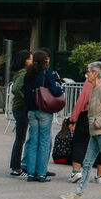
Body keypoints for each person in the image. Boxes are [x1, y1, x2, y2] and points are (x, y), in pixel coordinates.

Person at [60, 62, 101, 199]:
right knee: (87, 163)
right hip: (96, 132)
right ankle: (78, 194)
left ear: (95, 73)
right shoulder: (95, 88)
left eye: (88, 71)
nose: (86, 74)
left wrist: (98, 123)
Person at [21, 50, 62, 182]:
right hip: (44, 110)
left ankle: (31, 173)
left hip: (31, 110)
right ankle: (41, 173)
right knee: (44, 141)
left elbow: (24, 91)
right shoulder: (46, 73)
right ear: (45, 61)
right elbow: (55, 91)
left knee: (33, 141)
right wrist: (60, 88)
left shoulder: (28, 73)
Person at [8, 49, 32, 176]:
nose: (32, 61)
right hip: (21, 108)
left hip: (18, 108)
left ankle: (15, 165)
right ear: (25, 61)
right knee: (20, 139)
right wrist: (25, 97)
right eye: (30, 59)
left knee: (20, 138)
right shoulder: (23, 73)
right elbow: (16, 89)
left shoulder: (20, 72)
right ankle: (15, 166)